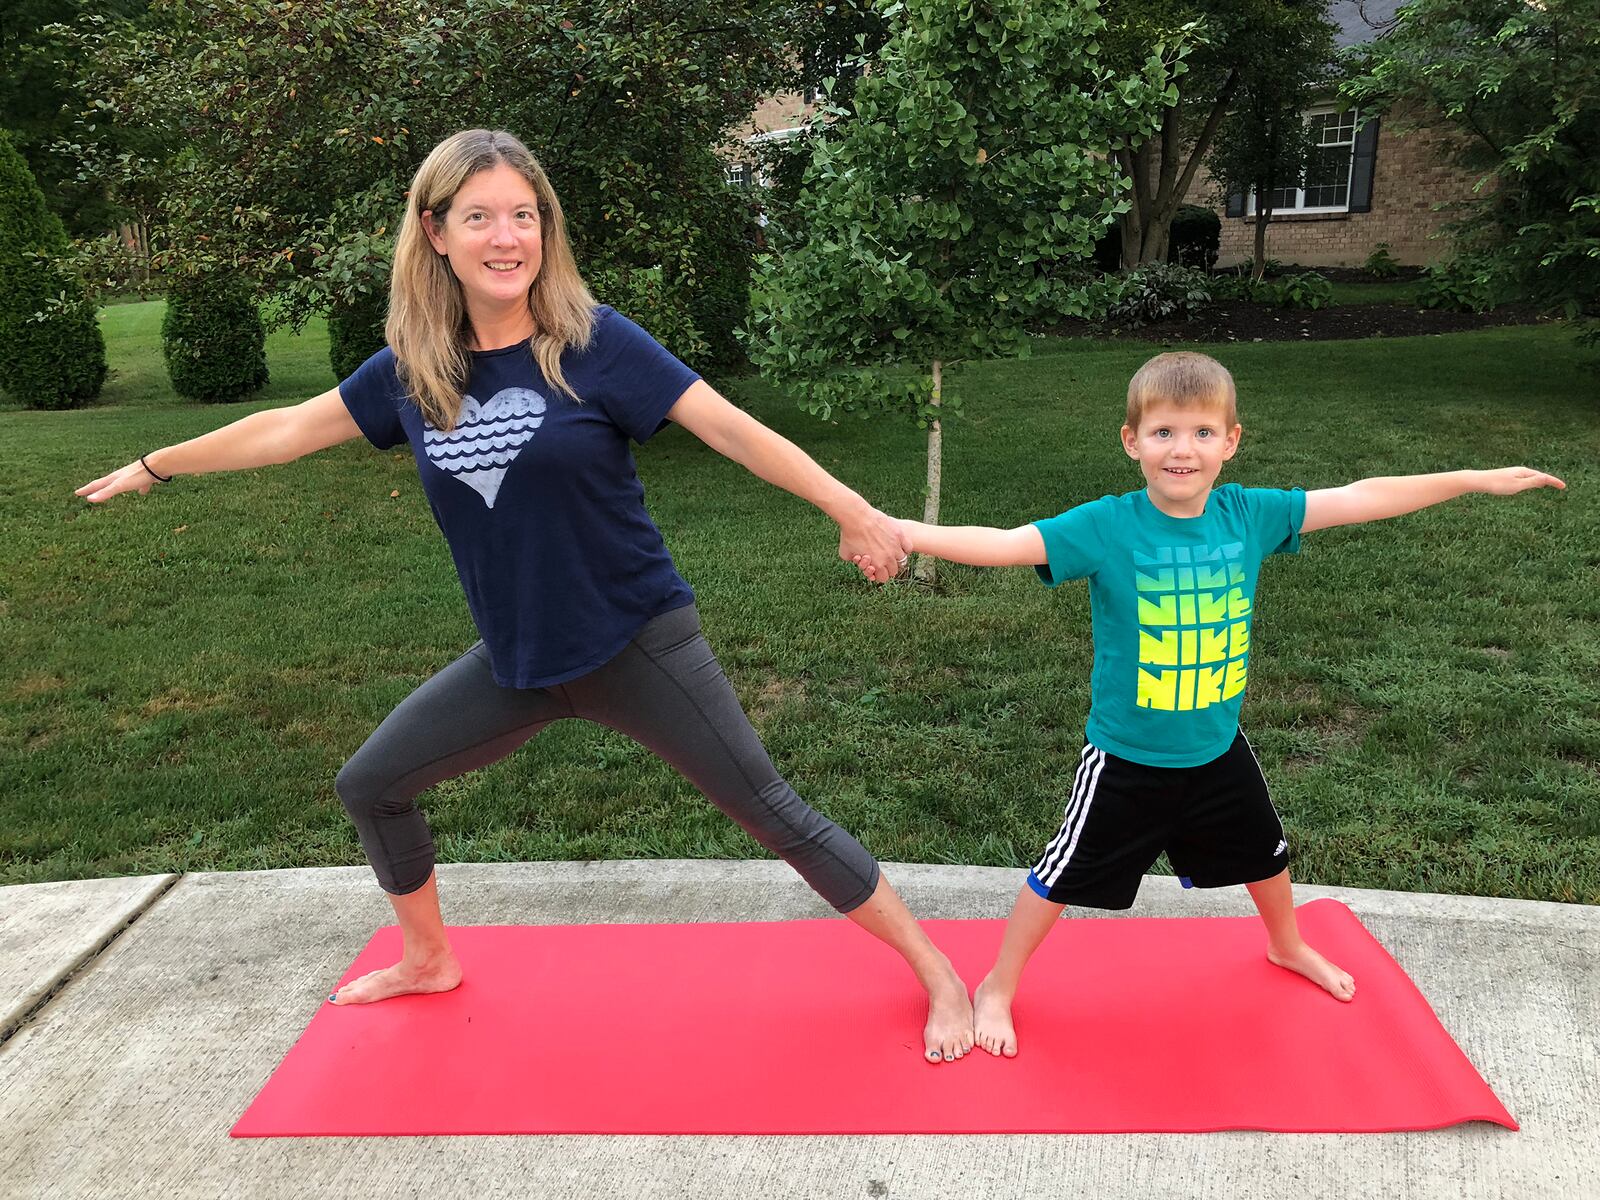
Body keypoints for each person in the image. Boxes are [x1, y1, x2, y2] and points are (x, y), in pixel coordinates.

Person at [77, 128, 975, 1063]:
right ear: (435, 233)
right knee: (372, 785)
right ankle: (428, 960)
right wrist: (156, 464)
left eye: (524, 215)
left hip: (637, 643)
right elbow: (283, 432)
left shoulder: (594, 345)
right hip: (519, 662)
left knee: (773, 812)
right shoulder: (413, 371)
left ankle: (938, 973)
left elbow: (734, 430)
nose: (507, 238)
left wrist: (851, 509)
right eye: (480, 218)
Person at [875, 350, 1564, 1058]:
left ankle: (1287, 945)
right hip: (1126, 758)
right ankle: (997, 984)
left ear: (1231, 441)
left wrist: (1472, 480)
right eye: (1165, 432)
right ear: (1131, 441)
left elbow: (1362, 495)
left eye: (1203, 433)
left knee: (1266, 855)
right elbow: (1004, 545)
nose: (1183, 450)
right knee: (1060, 875)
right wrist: (900, 530)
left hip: (1217, 747)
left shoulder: (1249, 514)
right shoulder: (1108, 527)